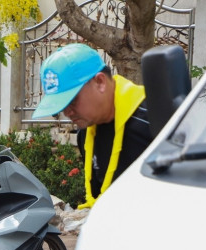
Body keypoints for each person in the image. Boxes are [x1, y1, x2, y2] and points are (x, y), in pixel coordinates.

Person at [32, 43, 153, 209]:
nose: (67, 112)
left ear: (100, 82)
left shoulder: (154, 118)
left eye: (72, 101)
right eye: (62, 106)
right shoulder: (86, 133)